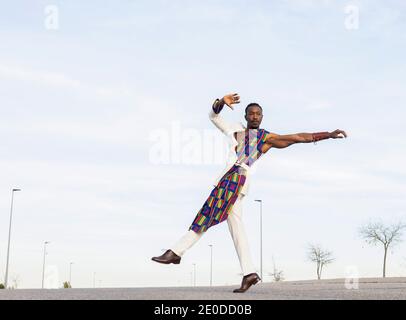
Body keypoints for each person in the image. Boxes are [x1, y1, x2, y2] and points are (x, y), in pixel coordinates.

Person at [151, 93, 347, 293]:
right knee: (236, 228)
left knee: (207, 214)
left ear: (262, 117)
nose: (255, 116)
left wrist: (327, 135)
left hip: (236, 180)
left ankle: (175, 251)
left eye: (258, 114)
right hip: (227, 180)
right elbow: (214, 117)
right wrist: (220, 103)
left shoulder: (266, 138)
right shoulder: (234, 130)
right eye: (251, 113)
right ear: (245, 116)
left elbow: (297, 138)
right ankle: (249, 273)